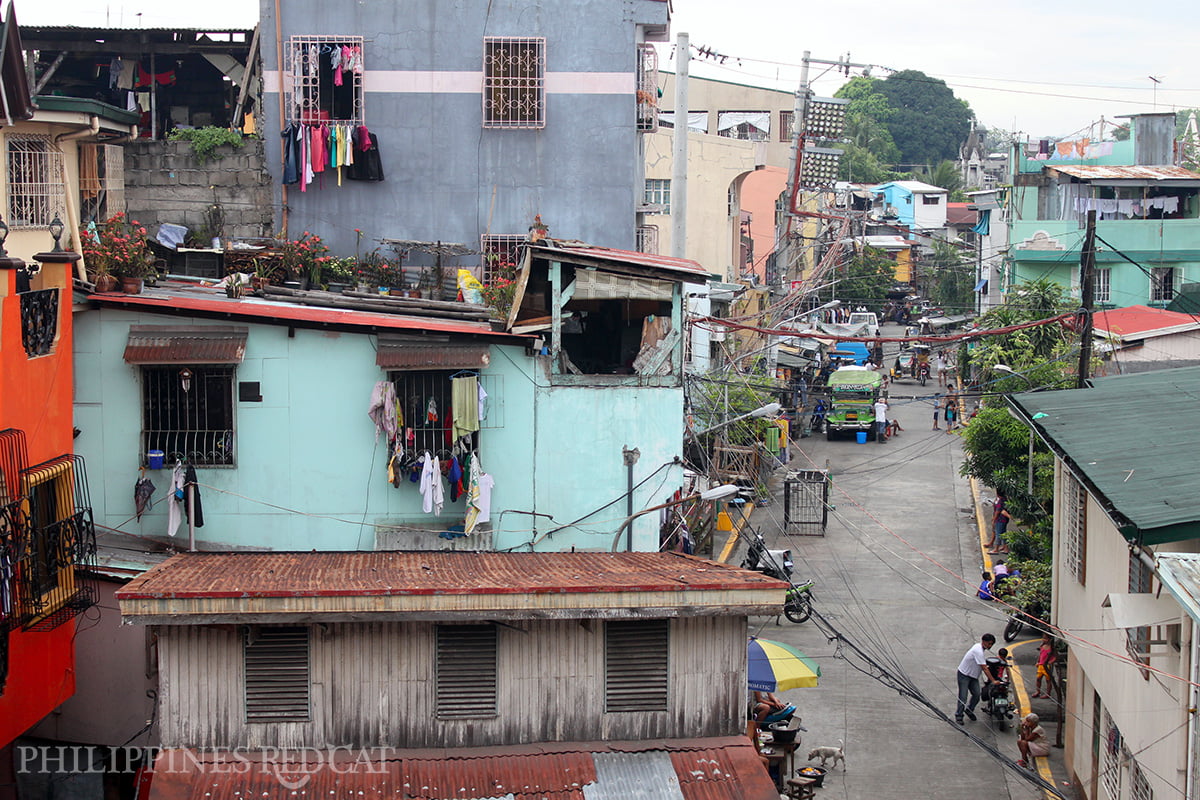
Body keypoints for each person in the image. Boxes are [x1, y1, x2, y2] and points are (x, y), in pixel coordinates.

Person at [955, 633, 995, 723]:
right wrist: (993, 680)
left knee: (977, 694)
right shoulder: (978, 651)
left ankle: (969, 710)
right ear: (984, 642)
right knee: (963, 696)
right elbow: (984, 668)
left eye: (992, 644)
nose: (990, 646)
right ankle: (959, 715)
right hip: (964, 675)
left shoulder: (979, 648)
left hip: (973, 677)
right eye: (989, 643)